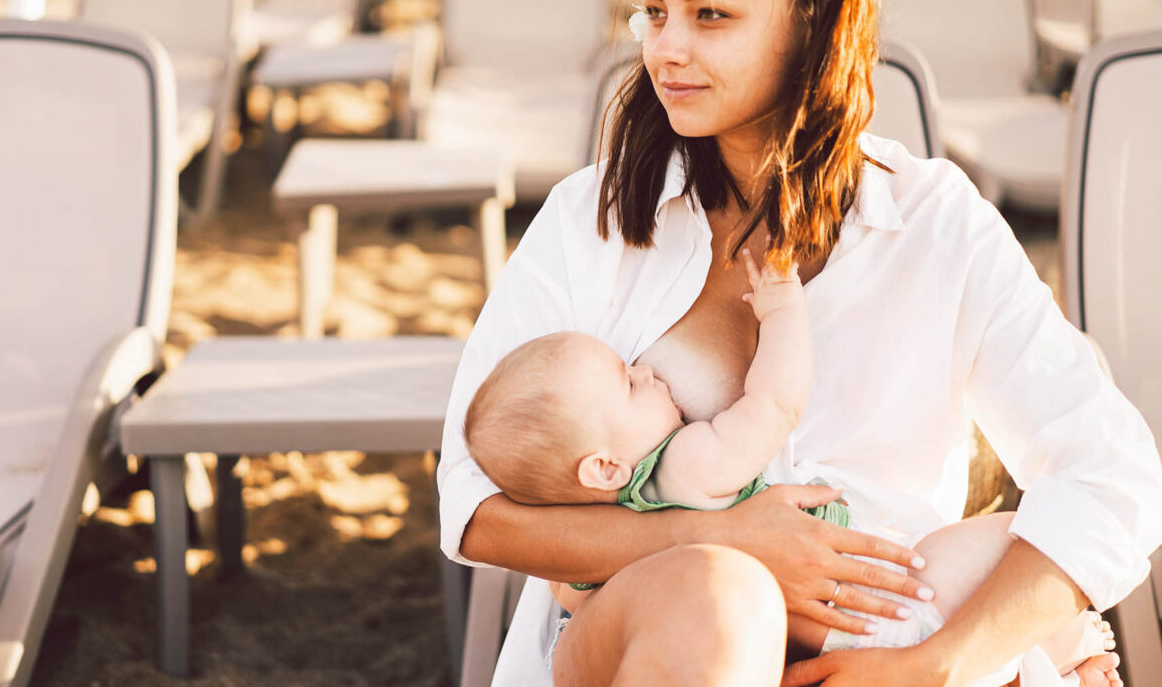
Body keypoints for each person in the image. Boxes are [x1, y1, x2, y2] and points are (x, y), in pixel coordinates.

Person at [436, 0, 1162, 684]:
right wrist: (716, 537)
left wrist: (932, 669)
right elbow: (473, 507)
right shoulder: (590, 218)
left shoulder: (939, 225)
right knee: (721, 595)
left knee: (1007, 575)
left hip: (880, 644)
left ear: (816, 21)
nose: (665, 50)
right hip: (650, 639)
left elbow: (1112, 475)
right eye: (654, 13)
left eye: (711, 13)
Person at [460, 257, 1117, 686]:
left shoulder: (588, 538)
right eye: (628, 384)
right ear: (605, 466)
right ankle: (1065, 651)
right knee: (1004, 543)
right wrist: (784, 315)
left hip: (810, 637)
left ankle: (1048, 655)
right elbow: (772, 405)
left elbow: (572, 598)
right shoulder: (683, 463)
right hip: (875, 610)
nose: (645, 370)